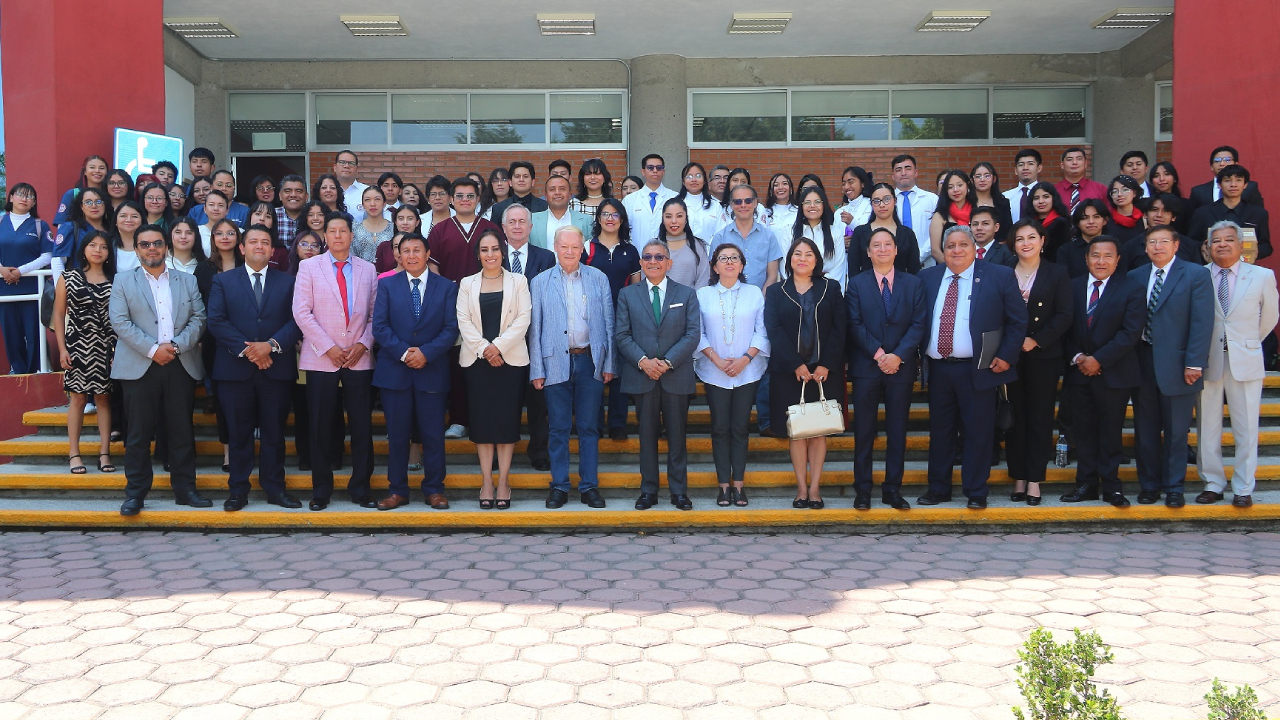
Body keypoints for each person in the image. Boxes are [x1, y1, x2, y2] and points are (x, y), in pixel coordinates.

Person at [919, 225, 1027, 509]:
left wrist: (1007, 355)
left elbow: (1017, 321)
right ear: (943, 250)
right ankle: (938, 488)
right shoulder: (927, 278)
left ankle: (976, 491)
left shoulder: (998, 276)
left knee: (978, 433)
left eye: (962, 245)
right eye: (950, 245)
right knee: (940, 432)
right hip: (939, 369)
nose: (956, 250)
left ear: (973, 248)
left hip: (980, 369)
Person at [109, 224, 208, 516]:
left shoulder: (187, 281)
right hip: (140, 366)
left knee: (181, 431)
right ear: (136, 249)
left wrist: (174, 347)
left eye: (156, 243)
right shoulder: (122, 281)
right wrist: (153, 350)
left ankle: (185, 490)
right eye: (145, 244)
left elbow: (199, 318)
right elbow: (120, 322)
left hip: (180, 363)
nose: (151, 248)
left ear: (166, 247)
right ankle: (136, 494)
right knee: (138, 435)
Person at [206, 225, 302, 511]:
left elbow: (296, 320)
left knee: (274, 433)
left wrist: (270, 345)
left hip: (277, 370)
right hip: (235, 372)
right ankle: (238, 491)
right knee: (239, 434)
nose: (259, 246)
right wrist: (251, 350)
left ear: (273, 250)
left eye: (265, 242)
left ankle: (275, 489)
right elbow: (216, 321)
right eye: (253, 241)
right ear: (242, 248)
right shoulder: (223, 281)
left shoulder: (287, 282)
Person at [292, 212, 379, 511]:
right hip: (321, 358)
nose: (339, 235)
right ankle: (321, 490)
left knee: (361, 425)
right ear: (324, 236)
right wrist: (328, 347)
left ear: (352, 236)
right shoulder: (309, 267)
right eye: (333, 231)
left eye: (344, 230)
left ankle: (361, 488)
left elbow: (374, 315)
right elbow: (302, 312)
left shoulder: (368, 270)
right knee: (320, 425)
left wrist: (363, 344)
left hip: (358, 357)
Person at [1128, 225, 1214, 507]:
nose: (1158, 246)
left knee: (1177, 432)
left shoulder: (1196, 274)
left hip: (1180, 365)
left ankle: (1174, 487)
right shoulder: (1135, 276)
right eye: (1152, 241)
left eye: (1164, 241)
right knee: (1145, 429)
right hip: (1142, 363)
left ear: (1176, 245)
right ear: (1145, 247)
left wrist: (1194, 363)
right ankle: (1149, 485)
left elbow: (1202, 323)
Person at [529, 226, 614, 509]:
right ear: (556, 247)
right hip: (555, 363)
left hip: (590, 360)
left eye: (574, 247)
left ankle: (589, 486)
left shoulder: (598, 278)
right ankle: (560, 486)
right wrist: (537, 369)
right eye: (564, 246)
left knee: (590, 428)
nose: (569, 251)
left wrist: (609, 363)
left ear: (582, 249)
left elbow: (609, 324)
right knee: (558, 429)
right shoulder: (540, 282)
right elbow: (536, 328)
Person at [371, 232, 458, 511]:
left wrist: (426, 353)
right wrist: (406, 353)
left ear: (427, 252)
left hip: (431, 370)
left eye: (416, 250)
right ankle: (397, 490)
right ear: (398, 255)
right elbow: (380, 327)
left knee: (433, 435)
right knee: (397, 435)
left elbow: (451, 328)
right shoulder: (386, 286)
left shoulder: (445, 287)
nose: (410, 255)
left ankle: (434, 490)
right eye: (404, 251)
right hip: (395, 372)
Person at [1195, 222, 1279, 508]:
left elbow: (1269, 317)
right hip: (1207, 360)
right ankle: (1213, 483)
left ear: (1241, 245)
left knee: (1246, 428)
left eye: (1229, 240)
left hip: (1245, 358)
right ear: (1208, 247)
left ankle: (1243, 487)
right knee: (1208, 425)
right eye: (1216, 240)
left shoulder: (1262, 275)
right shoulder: (1198, 275)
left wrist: (1247, 342)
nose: (1222, 245)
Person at [1059, 236, 1146, 507]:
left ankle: (1111, 487)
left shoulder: (1132, 287)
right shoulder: (1071, 287)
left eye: (1108, 256)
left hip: (1114, 373)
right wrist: (1079, 357)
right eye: (1095, 255)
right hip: (1078, 372)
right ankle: (1086, 484)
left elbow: (1131, 332)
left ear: (1118, 260)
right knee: (1083, 432)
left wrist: (1098, 360)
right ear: (1086, 259)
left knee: (1110, 433)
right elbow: (1063, 327)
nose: (1101, 261)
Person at [616, 238, 702, 511]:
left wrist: (666, 362)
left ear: (669, 263)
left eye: (659, 257)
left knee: (677, 437)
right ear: (641, 263)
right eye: (648, 257)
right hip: (642, 375)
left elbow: (692, 334)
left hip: (675, 375)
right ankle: (648, 491)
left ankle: (679, 492)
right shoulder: (627, 294)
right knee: (647, 436)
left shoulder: (686, 294)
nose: (653, 262)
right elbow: (621, 334)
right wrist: (644, 361)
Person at [846, 227, 926, 510]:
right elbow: (854, 323)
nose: (881, 249)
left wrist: (898, 355)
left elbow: (918, 324)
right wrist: (880, 354)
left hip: (900, 368)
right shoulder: (856, 283)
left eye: (887, 244)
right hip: (867, 367)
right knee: (864, 431)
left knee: (897, 430)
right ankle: (863, 489)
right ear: (868, 252)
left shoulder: (913, 283)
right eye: (875, 245)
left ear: (895, 249)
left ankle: (893, 488)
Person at [765, 237, 846, 509]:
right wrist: (795, 364)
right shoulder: (777, 291)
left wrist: (826, 364)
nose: (802, 258)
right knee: (797, 432)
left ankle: (815, 489)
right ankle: (801, 488)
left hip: (824, 372)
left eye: (808, 254)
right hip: (790, 372)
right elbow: (773, 329)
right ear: (789, 259)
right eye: (797, 254)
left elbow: (839, 328)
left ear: (817, 260)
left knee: (818, 432)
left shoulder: (831, 288)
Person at [457, 230, 531, 510]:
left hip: (509, 362)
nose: (490, 254)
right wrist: (485, 349)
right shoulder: (467, 283)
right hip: (477, 363)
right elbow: (463, 320)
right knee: (483, 423)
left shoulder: (519, 281)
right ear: (478, 254)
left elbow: (524, 318)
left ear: (503, 252)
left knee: (506, 423)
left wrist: (497, 347)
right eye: (485, 250)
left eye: (495, 249)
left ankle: (504, 482)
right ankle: (486, 480)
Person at [1002, 220, 1073, 506]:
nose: (1026, 243)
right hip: (1009, 357)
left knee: (1040, 418)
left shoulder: (1057, 273)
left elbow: (1065, 315)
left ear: (1042, 241)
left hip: (1043, 356)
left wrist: (1037, 340)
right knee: (1014, 418)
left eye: (1032, 237)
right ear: (1013, 244)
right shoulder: (1003, 273)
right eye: (1020, 238)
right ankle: (1018, 476)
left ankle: (1034, 480)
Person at [426, 177, 502, 439]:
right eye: (459, 196)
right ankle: (458, 419)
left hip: (488, 305)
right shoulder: (440, 230)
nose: (465, 200)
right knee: (457, 364)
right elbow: (433, 268)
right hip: (453, 307)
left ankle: (483, 419)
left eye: (470, 195)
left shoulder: (490, 228)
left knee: (484, 365)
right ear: (451, 199)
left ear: (478, 198)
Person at [696, 242, 768, 507]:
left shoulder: (753, 294)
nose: (729, 262)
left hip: (747, 371)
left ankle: (739, 485)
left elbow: (763, 331)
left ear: (742, 265)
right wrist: (715, 359)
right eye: (723, 258)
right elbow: (697, 332)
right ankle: (723, 487)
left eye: (734, 258)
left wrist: (745, 359)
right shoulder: (703, 294)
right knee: (719, 428)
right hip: (713, 371)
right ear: (714, 266)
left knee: (740, 428)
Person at [713, 184, 783, 437]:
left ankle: (764, 419)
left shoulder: (768, 235)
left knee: (761, 357)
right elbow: (715, 272)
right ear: (731, 206)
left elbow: (773, 274)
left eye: (747, 201)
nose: (743, 205)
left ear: (755, 203)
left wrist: (760, 300)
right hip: (728, 306)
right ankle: (730, 419)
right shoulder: (721, 237)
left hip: (761, 303)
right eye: (737, 201)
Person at [53, 231, 116, 474]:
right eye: (93, 245)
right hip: (76, 344)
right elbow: (58, 314)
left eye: (103, 246)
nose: (98, 250)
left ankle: (104, 453)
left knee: (103, 398)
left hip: (106, 345)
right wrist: (61, 348)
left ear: (109, 253)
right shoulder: (68, 277)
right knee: (78, 398)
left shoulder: (116, 280)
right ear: (84, 249)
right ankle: (74, 454)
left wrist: (116, 350)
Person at [501, 204, 557, 469]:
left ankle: (539, 452)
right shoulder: (492, 255)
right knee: (505, 400)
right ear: (503, 228)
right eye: (511, 222)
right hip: (502, 342)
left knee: (538, 400)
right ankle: (504, 452)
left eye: (522, 221)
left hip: (536, 339)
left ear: (531, 227)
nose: (517, 226)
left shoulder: (546, 257)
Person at [585, 199, 641, 441]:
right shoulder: (586, 248)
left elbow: (637, 289)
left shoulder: (631, 250)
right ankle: (595, 423)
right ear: (598, 218)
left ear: (622, 219)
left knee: (618, 372)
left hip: (622, 318)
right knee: (595, 372)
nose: (610, 218)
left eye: (615, 214)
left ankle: (617, 423)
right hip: (591, 319)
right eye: (605, 214)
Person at [0, 184, 53, 373]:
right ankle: (17, 369)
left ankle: (35, 369)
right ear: (11, 197)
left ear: (34, 203)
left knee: (33, 330)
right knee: (10, 331)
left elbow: (47, 255)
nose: (24, 198)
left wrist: (20, 271)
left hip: (32, 288)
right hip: (4, 288)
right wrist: (3, 270)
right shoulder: (0, 222)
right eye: (21, 194)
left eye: (30, 196)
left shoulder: (39, 225)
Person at [1188, 164, 1272, 262]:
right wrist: (1203, 249)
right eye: (1227, 180)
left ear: (1245, 185)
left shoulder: (1258, 213)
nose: (1233, 184)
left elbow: (1266, 246)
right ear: (1219, 185)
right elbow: (1191, 242)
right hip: (1211, 267)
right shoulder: (1202, 212)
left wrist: (1254, 251)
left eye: (1238, 180)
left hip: (1246, 267)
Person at [849, 183, 922, 276]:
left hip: (902, 288)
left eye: (887, 199)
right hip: (866, 288)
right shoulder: (860, 232)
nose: (882, 205)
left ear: (895, 201)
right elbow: (853, 270)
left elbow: (914, 271)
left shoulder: (907, 234)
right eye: (876, 201)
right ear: (871, 203)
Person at [789, 186, 849, 291]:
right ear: (801, 206)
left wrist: (820, 286)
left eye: (817, 202)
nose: (812, 206)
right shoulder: (789, 232)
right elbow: (786, 267)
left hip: (827, 291)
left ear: (823, 205)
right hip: (797, 290)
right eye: (807, 202)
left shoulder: (835, 233)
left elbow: (839, 268)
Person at [890, 155, 939, 268]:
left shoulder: (932, 199)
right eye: (898, 169)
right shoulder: (886, 201)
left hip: (926, 264)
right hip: (894, 265)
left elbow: (937, 233)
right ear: (893, 176)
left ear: (916, 172)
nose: (903, 173)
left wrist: (919, 256)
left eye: (908, 168)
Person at [52, 188, 111, 279]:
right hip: (77, 285)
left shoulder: (112, 229)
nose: (94, 206)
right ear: (81, 206)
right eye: (88, 202)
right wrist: (60, 289)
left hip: (108, 285)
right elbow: (58, 260)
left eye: (98, 202)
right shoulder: (71, 227)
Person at [1188, 146, 1265, 212]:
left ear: (1236, 164)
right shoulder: (1198, 192)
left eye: (1227, 160)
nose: (1222, 164)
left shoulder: (1250, 187)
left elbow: (1258, 215)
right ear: (1211, 167)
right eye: (1217, 161)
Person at [622, 154, 677, 246]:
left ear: (663, 171)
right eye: (650, 168)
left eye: (659, 168)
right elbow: (623, 230)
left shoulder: (675, 197)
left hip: (668, 255)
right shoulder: (629, 200)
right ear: (643, 172)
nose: (655, 171)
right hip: (637, 255)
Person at [657, 198, 710, 289]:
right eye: (668, 216)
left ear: (686, 219)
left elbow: (703, 281)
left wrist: (691, 301)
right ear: (663, 219)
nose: (674, 221)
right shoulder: (654, 246)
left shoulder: (698, 246)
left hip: (691, 301)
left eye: (679, 216)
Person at [1057, 199, 1116, 278]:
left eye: (1096, 217)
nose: (1091, 221)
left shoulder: (1116, 248)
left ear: (1105, 221)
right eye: (1085, 218)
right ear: (1078, 223)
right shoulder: (1065, 251)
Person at [531, 175, 593, 250]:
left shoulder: (586, 220)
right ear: (546, 196)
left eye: (562, 189)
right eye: (552, 189)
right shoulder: (532, 220)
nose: (557, 193)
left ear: (570, 195)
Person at [929, 171, 977, 264]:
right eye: (950, 187)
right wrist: (953, 268)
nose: (956, 190)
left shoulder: (977, 211)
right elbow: (935, 251)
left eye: (959, 185)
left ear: (967, 186)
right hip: (948, 268)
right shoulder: (940, 216)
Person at [54, 155, 109, 225]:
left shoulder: (109, 195)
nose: (97, 171)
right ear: (84, 172)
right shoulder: (72, 194)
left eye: (101, 168)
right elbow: (61, 224)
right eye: (92, 167)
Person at [969, 162, 1014, 244]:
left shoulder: (1003, 203)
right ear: (972, 180)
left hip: (998, 250)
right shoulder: (966, 202)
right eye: (978, 176)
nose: (982, 179)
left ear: (994, 179)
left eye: (987, 176)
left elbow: (1008, 231)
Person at [1026, 183, 1073, 260]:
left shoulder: (1061, 223)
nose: (1041, 201)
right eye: (1036, 198)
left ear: (1053, 199)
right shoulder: (1028, 223)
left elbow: (1064, 252)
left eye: (1046, 197)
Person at [1055, 147, 1110, 212]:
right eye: (1069, 159)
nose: (1074, 162)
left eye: (1079, 159)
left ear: (1085, 164)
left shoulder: (1101, 189)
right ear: (1062, 165)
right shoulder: (1053, 191)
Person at [675, 162, 721, 240]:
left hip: (709, 251)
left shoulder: (716, 205)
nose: (694, 180)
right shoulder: (674, 204)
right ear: (683, 181)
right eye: (689, 176)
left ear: (704, 180)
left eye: (698, 176)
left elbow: (720, 233)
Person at [352, 186, 393, 264]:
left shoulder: (394, 228)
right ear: (363, 205)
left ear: (384, 203)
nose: (372, 204)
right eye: (367, 200)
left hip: (389, 275)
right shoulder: (355, 229)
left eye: (377, 199)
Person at [1106, 175, 1147, 245]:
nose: (1119, 194)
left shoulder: (1145, 219)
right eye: (1115, 191)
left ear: (1134, 193)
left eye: (1125, 190)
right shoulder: (1106, 220)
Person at [330, 150, 368, 221]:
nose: (346, 166)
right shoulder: (327, 191)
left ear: (357, 169)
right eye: (342, 162)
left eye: (351, 163)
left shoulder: (367, 191)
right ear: (335, 167)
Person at [275, 175, 309, 248]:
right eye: (288, 191)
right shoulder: (271, 215)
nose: (293, 195)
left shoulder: (313, 216)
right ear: (280, 196)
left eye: (299, 191)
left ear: (306, 197)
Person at [838, 166, 874, 231]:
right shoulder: (839, 212)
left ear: (862, 184)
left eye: (850, 182)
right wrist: (841, 240)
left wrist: (852, 222)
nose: (846, 187)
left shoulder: (872, 206)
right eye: (843, 184)